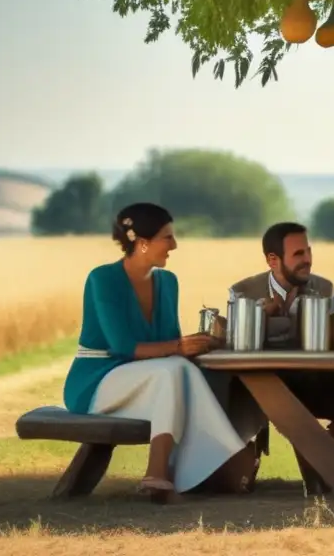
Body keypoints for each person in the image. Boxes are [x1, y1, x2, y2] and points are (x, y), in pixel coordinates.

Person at [62, 203, 261, 503]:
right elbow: (123, 346)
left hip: (150, 381)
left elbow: (171, 343)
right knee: (173, 370)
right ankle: (210, 458)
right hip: (96, 382)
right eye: (167, 237)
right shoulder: (103, 279)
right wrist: (178, 348)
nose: (174, 245)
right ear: (142, 243)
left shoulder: (168, 282)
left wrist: (205, 342)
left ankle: (164, 473)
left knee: (181, 369)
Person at [228, 221, 334, 494]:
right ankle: (322, 478)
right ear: (273, 260)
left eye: (308, 251)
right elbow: (234, 343)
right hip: (260, 385)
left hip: (314, 378)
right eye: (298, 255)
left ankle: (320, 475)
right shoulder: (242, 292)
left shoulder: (327, 291)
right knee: (234, 482)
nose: (307, 260)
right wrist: (262, 316)